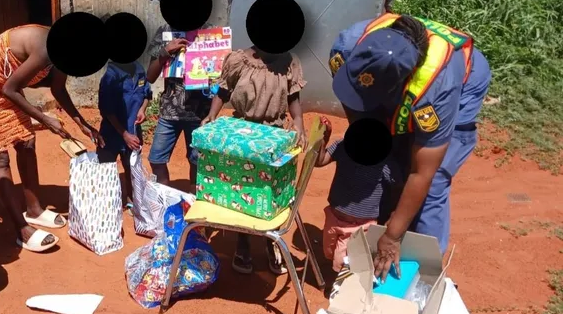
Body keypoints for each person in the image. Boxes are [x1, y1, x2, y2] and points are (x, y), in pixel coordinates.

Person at [330, 14, 491, 281]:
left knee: (434, 183)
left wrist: (393, 236)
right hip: (401, 87)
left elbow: (423, 173)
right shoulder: (346, 47)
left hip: (463, 82)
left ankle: (422, 276)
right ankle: (387, 225)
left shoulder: (435, 92)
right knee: (385, 157)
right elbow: (356, 109)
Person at [0, 24, 103, 252]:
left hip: (6, 88)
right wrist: (44, 119)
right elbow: (9, 89)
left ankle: (34, 210)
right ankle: (20, 229)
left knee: (27, 144)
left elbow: (58, 89)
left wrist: (81, 123)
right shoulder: (46, 47)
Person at [201, 47, 307, 275]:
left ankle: (271, 239)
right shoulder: (239, 60)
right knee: (243, 189)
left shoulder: (289, 62)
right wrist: (212, 115)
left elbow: (293, 96)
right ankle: (243, 242)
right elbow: (223, 90)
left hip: (274, 135)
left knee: (273, 191)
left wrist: (298, 120)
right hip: (241, 135)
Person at [315, 117, 403, 274]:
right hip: (333, 217)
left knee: (344, 262)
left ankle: (343, 285)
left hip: (360, 225)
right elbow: (319, 160)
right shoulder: (342, 147)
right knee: (328, 251)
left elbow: (398, 184)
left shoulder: (384, 162)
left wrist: (393, 212)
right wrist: (324, 138)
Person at [146, 32, 211, 189]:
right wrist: (165, 51)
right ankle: (165, 200)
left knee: (197, 160)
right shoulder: (165, 32)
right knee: (156, 159)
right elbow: (150, 76)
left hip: (199, 115)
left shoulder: (209, 33)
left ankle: (193, 201)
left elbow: (221, 75)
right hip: (169, 112)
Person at [97, 59, 152, 208]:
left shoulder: (139, 69)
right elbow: (106, 110)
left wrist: (142, 109)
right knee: (105, 169)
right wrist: (124, 135)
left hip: (133, 131)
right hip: (112, 132)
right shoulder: (111, 76)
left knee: (132, 168)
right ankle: (106, 205)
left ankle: (131, 200)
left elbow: (147, 93)